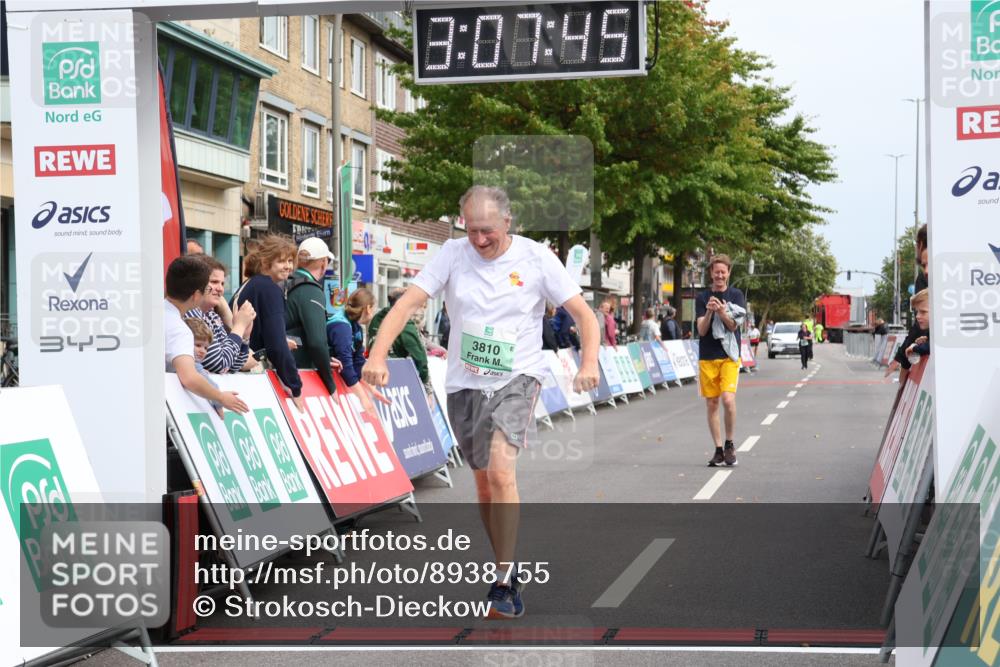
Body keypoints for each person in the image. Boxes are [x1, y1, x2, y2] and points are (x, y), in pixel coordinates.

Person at [361, 185, 600, 620]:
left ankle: (504, 580)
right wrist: (377, 355)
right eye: (471, 230)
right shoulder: (452, 254)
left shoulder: (536, 257)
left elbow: (584, 315)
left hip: (517, 376)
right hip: (463, 383)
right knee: (484, 482)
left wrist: (589, 363)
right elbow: (406, 304)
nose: (479, 239)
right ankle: (506, 564)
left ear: (508, 222)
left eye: (487, 230)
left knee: (500, 467)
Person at [164, 256, 247, 413]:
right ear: (196, 295)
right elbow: (189, 376)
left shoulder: (155, 313)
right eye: (208, 288)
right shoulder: (180, 329)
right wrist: (220, 398)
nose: (219, 290)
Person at [231, 235, 305, 410]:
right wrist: (295, 386)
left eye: (289, 260)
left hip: (235, 366)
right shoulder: (269, 289)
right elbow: (277, 346)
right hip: (250, 373)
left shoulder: (252, 284)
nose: (288, 266)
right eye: (281, 261)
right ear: (266, 263)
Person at [696, 254, 746, 467]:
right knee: (712, 403)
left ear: (728, 273)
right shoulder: (702, 297)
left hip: (729, 356)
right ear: (711, 273)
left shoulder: (736, 295)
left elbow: (733, 326)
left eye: (722, 272)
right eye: (716, 271)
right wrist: (709, 311)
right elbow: (701, 329)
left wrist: (723, 311)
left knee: (727, 399)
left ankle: (729, 444)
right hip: (707, 356)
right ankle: (717, 449)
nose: (719, 275)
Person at [285, 238, 339, 396]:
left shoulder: (285, 281)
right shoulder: (310, 289)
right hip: (298, 373)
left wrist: (327, 358)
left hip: (277, 367)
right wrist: (330, 384)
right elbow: (317, 342)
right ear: (323, 263)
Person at [185, 254, 257, 374]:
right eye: (214, 282)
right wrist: (239, 327)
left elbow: (234, 365)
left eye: (222, 284)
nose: (220, 289)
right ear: (197, 282)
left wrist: (244, 337)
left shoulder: (212, 315)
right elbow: (220, 363)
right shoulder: (190, 313)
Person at [327, 287, 386, 418]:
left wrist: (371, 389)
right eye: (374, 309)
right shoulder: (341, 326)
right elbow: (347, 366)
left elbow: (358, 362)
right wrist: (363, 399)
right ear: (369, 308)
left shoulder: (356, 327)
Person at [368, 287, 430, 384]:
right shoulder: (404, 322)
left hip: (374, 373)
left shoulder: (377, 317)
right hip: (394, 375)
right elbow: (419, 357)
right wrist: (424, 380)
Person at [183, 317, 224, 415]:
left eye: (206, 348)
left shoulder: (196, 365)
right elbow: (212, 385)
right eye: (198, 345)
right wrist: (220, 408)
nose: (203, 351)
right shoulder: (193, 365)